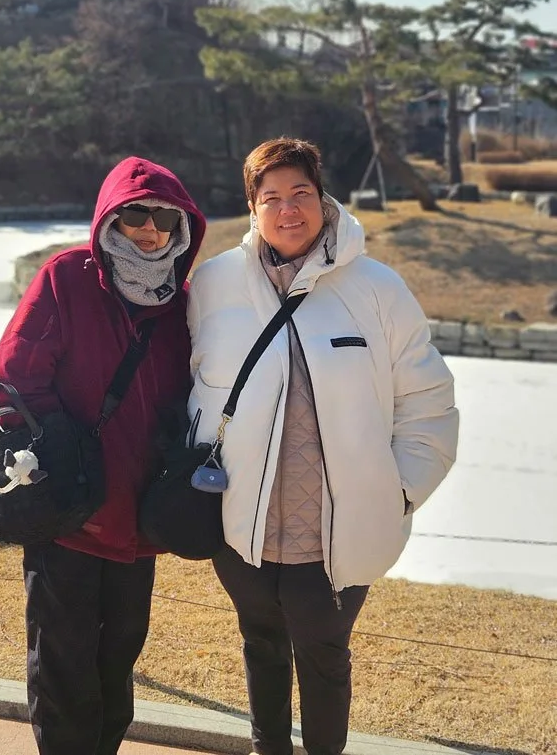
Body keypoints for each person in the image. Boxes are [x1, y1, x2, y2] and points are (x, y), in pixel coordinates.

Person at [187, 137, 458, 755]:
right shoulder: (214, 284)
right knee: (260, 643)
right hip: (240, 525)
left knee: (324, 654)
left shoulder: (377, 288)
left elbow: (429, 403)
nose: (288, 210)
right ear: (252, 206)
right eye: (272, 197)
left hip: (335, 531)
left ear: (323, 198)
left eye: (301, 193)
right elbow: (186, 388)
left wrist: (398, 492)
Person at [0, 157, 206, 755]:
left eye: (165, 219)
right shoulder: (67, 278)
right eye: (135, 215)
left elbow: (194, 392)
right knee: (63, 666)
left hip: (138, 520)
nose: (150, 232)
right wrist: (65, 461)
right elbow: (13, 378)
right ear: (110, 218)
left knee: (119, 659)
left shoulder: (180, 301)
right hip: (70, 515)